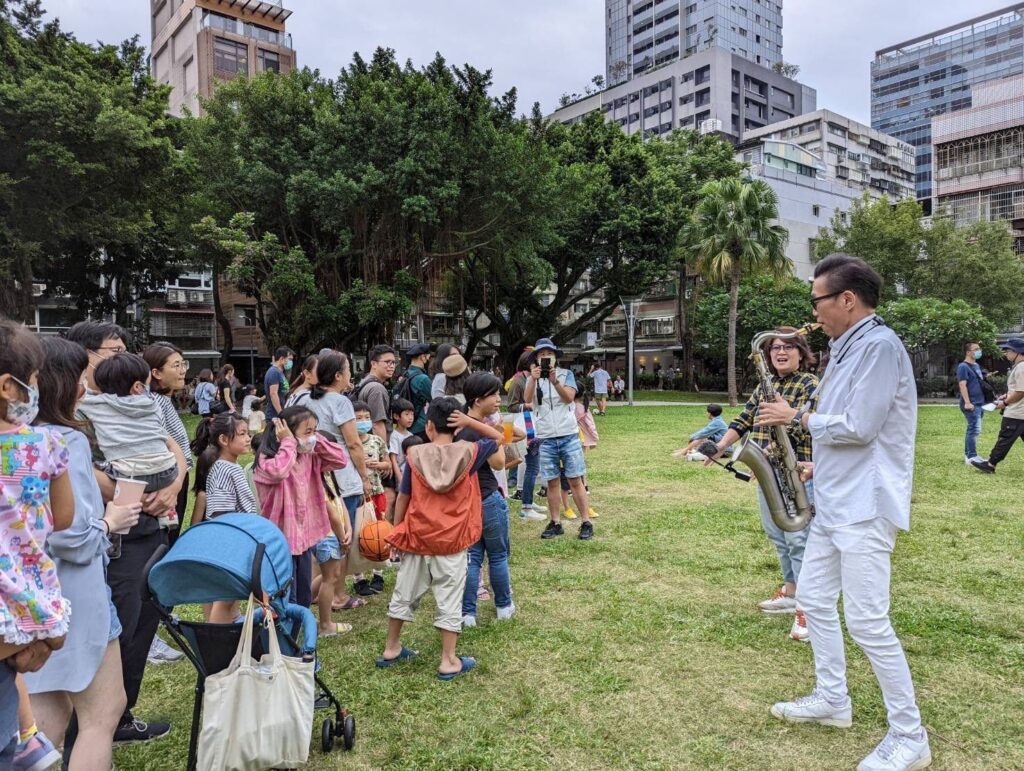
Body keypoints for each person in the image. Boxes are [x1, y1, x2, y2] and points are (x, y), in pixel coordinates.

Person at [757, 253, 930, 771]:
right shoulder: (847, 347)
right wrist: (818, 469)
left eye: (817, 300)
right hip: (837, 499)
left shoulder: (878, 346)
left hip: (865, 505)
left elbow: (860, 425)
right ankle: (833, 699)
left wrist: (798, 416)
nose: (814, 312)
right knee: (812, 596)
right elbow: (846, 430)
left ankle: (910, 734)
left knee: (869, 620)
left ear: (846, 300)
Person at [27, 336, 143, 771]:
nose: (85, 385)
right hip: (77, 596)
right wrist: (110, 521)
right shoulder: (63, 441)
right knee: (102, 714)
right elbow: (72, 535)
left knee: (45, 716)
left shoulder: (16, 439)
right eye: (79, 375)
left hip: (32, 597)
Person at [64, 320, 180, 747]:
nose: (120, 358)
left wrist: (171, 486)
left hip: (150, 527)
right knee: (119, 627)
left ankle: (119, 717)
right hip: (114, 538)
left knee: (143, 622)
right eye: (111, 351)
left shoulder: (135, 398)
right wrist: (134, 492)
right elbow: (78, 469)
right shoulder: (74, 409)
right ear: (84, 355)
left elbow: (172, 448)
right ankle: (93, 725)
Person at [378, 397, 504, 680]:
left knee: (404, 592)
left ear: (430, 426)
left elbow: (404, 497)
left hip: (419, 536)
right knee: (449, 597)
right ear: (457, 428)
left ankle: (391, 648)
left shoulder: (415, 455)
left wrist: (398, 530)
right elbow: (499, 436)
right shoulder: (470, 453)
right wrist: (471, 421)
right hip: (451, 540)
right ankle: (448, 660)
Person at [707, 328, 818, 642]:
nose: (780, 353)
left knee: (799, 540)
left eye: (788, 347)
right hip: (767, 471)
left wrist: (784, 421)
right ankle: (791, 592)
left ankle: (808, 610)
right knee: (778, 536)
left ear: (801, 352)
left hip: (795, 472)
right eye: (774, 348)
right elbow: (744, 418)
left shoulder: (810, 383)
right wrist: (720, 446)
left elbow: (810, 424)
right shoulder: (764, 385)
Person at [0, 322, 74, 769]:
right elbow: (63, 517)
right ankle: (27, 738)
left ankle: (27, 736)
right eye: (33, 380)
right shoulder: (47, 443)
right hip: (32, 599)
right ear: (9, 386)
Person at [253, 407, 351, 613]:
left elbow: (340, 460)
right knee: (285, 596)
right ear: (284, 430)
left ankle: (297, 638)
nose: (312, 437)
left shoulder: (309, 455)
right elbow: (279, 472)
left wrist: (316, 439)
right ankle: (284, 640)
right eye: (307, 431)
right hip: (280, 540)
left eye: (315, 430)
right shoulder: (266, 459)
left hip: (303, 538)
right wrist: (289, 442)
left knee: (304, 595)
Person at [78, 353, 188, 531]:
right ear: (138, 387)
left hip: (128, 475)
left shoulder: (96, 405)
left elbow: (82, 398)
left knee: (99, 464)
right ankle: (166, 515)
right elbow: (169, 442)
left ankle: (119, 527)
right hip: (167, 471)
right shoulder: (153, 404)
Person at [305, 352, 373, 610]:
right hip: (342, 477)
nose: (350, 376)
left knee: (318, 539)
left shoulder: (302, 397)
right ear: (337, 376)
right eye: (347, 371)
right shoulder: (340, 402)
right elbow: (354, 443)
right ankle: (337, 594)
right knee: (342, 538)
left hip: (312, 478)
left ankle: (316, 589)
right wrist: (365, 477)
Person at [142, 342, 192, 662]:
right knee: (158, 556)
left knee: (168, 550)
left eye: (183, 362)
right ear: (155, 373)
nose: (183, 370)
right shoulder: (153, 403)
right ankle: (149, 632)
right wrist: (174, 487)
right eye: (176, 365)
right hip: (167, 488)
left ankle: (159, 621)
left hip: (177, 484)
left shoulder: (163, 400)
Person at [457, 374, 519, 628]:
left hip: (465, 502)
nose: (498, 399)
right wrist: (497, 436)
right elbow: (498, 464)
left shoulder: (459, 426)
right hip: (488, 498)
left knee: (472, 558)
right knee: (497, 555)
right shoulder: (479, 430)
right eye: (493, 395)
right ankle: (504, 606)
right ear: (478, 398)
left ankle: (467, 613)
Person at [524, 338, 594, 541]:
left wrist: (555, 381)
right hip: (545, 437)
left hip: (568, 435)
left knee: (575, 479)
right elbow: (528, 400)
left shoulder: (566, 375)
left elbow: (569, 398)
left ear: (555, 356)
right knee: (552, 482)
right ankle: (555, 522)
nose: (545, 357)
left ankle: (586, 521)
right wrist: (533, 380)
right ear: (536, 358)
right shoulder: (534, 378)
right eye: (541, 354)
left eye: (549, 353)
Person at [970, 338, 1024, 474]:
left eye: (1008, 350)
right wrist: (1006, 395)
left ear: (1017, 352)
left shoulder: (1021, 367)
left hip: (1016, 412)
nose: (1006, 353)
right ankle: (990, 463)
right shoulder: (1019, 367)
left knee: (1005, 439)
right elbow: (1017, 389)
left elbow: (1021, 391)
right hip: (1020, 411)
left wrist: (1005, 403)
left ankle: (990, 464)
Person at [956, 342, 986, 464]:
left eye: (979, 348)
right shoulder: (963, 366)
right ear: (968, 352)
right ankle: (971, 457)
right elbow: (962, 385)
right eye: (976, 349)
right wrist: (967, 402)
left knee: (973, 429)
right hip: (971, 403)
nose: (979, 351)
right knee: (974, 429)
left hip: (980, 403)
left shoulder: (976, 366)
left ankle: (970, 455)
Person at [401, 343, 433, 438]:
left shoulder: (406, 374)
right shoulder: (423, 379)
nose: (429, 360)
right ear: (423, 357)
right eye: (428, 357)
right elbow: (435, 399)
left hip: (407, 424)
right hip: (420, 427)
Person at [388, 398, 416, 493]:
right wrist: (399, 478)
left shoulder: (410, 435)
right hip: (401, 472)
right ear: (396, 416)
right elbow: (393, 459)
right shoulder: (394, 436)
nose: (411, 417)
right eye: (407, 414)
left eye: (412, 414)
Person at [264, 346, 295, 421]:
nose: (291, 362)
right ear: (281, 359)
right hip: (274, 416)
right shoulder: (274, 372)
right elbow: (273, 394)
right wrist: (281, 414)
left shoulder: (280, 372)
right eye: (290, 359)